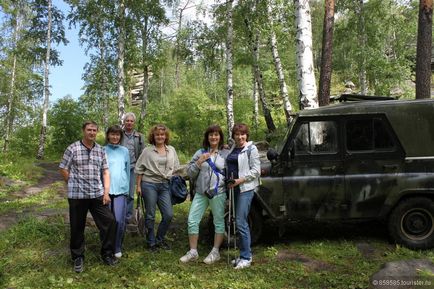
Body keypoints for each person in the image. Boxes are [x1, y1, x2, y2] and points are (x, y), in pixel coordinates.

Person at [59, 121, 118, 273]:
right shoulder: (73, 148)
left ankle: (107, 254)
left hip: (97, 194)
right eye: (89, 130)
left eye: (94, 130)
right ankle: (78, 257)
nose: (92, 132)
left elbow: (105, 171)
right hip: (77, 196)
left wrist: (106, 192)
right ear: (83, 131)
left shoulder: (100, 150)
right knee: (77, 226)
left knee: (110, 222)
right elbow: (63, 168)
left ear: (97, 132)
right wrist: (72, 182)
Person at [180, 125, 228, 264]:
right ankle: (193, 251)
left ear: (220, 137)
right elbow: (189, 172)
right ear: (207, 137)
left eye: (216, 135)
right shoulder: (199, 152)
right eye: (211, 135)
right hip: (201, 193)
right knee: (192, 220)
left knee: (218, 222)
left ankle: (215, 251)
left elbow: (231, 170)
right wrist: (199, 162)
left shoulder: (225, 153)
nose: (214, 137)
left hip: (218, 192)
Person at [135, 124, 180, 251]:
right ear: (153, 137)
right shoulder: (147, 151)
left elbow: (176, 168)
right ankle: (151, 242)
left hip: (165, 185)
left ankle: (160, 238)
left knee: (168, 215)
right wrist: (138, 186)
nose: (160, 137)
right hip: (149, 184)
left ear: (166, 136)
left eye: (162, 134)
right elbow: (139, 169)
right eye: (157, 135)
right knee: (150, 215)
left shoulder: (171, 150)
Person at [226, 123, 261, 269]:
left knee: (241, 221)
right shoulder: (234, 148)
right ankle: (242, 255)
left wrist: (239, 180)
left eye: (242, 134)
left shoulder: (251, 149)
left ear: (247, 135)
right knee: (237, 221)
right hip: (233, 188)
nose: (240, 137)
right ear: (233, 136)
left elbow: (256, 171)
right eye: (237, 134)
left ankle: (246, 257)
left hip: (245, 188)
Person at [104, 125, 130, 258]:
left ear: (120, 136)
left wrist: (128, 190)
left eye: (117, 135)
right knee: (108, 221)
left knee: (119, 220)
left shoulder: (125, 151)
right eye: (112, 134)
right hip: (106, 191)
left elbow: (127, 171)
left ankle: (117, 246)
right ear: (108, 135)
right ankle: (106, 245)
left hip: (121, 190)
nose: (115, 137)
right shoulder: (102, 150)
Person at [120, 112, 145, 224]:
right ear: (124, 122)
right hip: (119, 168)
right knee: (119, 192)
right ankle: (119, 214)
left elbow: (142, 154)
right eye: (127, 120)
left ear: (134, 123)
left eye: (131, 121)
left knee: (130, 194)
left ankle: (128, 217)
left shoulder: (139, 137)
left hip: (133, 168)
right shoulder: (119, 134)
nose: (129, 123)